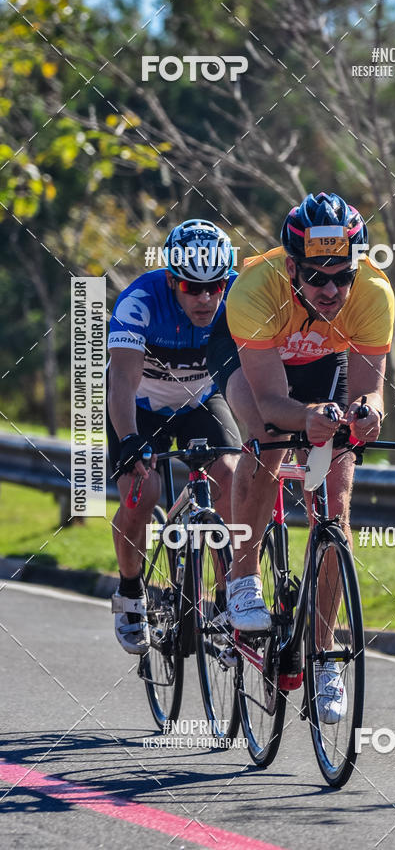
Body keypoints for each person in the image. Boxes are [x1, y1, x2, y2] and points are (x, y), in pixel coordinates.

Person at [206, 192, 394, 722]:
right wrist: (303, 420)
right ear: (292, 267)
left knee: (336, 501)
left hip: (321, 362)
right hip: (257, 363)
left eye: (343, 275)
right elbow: (268, 401)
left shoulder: (374, 294)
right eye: (317, 276)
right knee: (266, 437)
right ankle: (243, 579)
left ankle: (326, 653)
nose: (332, 289)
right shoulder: (255, 288)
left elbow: (372, 392)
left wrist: (366, 414)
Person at [107, 219, 241, 654]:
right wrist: (129, 441)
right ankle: (130, 594)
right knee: (143, 493)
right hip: (140, 407)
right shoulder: (140, 301)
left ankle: (224, 603)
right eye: (191, 288)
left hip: (200, 399)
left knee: (231, 477)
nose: (204, 299)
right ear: (171, 280)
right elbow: (122, 382)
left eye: (214, 286)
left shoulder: (241, 299)